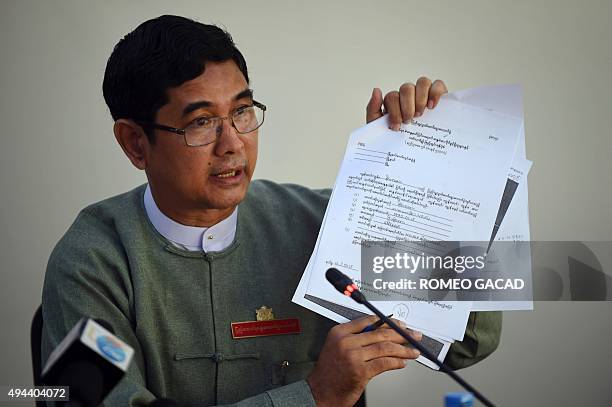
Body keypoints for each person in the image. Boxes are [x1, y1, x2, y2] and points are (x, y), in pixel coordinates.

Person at [41, 15, 501, 407]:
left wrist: (432, 181)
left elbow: (467, 345)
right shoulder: (91, 259)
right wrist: (314, 396)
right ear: (135, 142)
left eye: (242, 112)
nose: (233, 143)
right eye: (201, 122)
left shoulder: (324, 224)